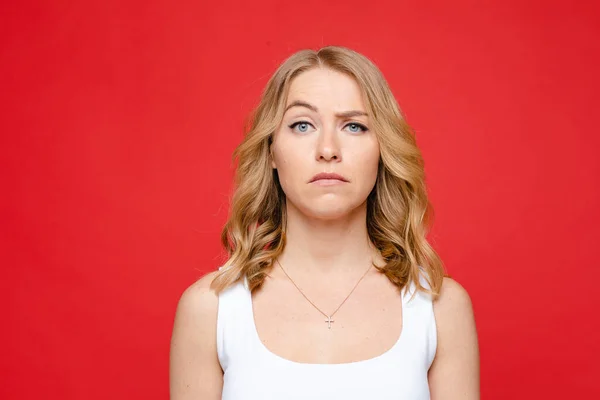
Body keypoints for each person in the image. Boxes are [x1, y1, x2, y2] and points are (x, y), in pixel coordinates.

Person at [169, 46, 480, 400]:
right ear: (271, 150)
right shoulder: (210, 310)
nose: (328, 149)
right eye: (303, 125)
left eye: (354, 125)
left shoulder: (441, 308)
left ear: (383, 150)